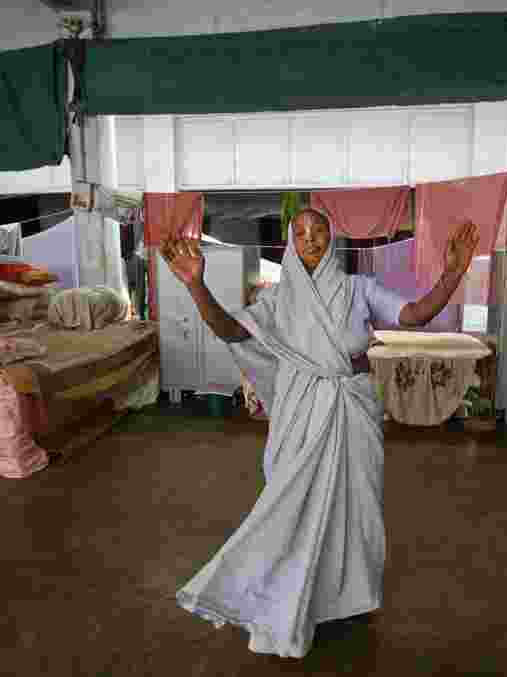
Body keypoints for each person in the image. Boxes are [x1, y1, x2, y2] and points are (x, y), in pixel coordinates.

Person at [164, 208, 479, 658]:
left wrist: (452, 273)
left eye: (319, 232)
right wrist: (196, 285)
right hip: (301, 409)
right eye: (301, 233)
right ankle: (284, 594)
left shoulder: (357, 289)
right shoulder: (279, 300)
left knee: (357, 503)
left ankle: (347, 596)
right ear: (290, 242)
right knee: (289, 500)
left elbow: (413, 315)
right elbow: (231, 330)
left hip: (352, 406)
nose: (310, 239)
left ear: (332, 238)